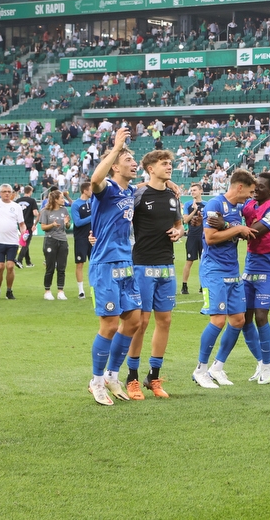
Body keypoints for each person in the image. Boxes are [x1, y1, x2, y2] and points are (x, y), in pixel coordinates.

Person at [86, 127, 141, 406]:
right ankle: (95, 381)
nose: (135, 164)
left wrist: (169, 185)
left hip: (125, 263)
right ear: (116, 165)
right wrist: (117, 147)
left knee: (133, 320)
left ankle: (111, 375)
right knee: (108, 324)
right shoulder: (105, 188)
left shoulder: (131, 190)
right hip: (105, 263)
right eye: (129, 160)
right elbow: (95, 179)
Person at [192, 170, 257, 388]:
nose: (249, 196)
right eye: (249, 191)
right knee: (218, 320)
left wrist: (235, 227)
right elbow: (210, 238)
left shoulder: (238, 208)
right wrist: (238, 228)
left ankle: (217, 367)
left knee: (238, 320)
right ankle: (200, 370)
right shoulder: (214, 205)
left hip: (232, 270)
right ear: (239, 187)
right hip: (214, 270)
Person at [126, 151, 183, 399]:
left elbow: (179, 223)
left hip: (166, 266)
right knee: (141, 322)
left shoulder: (173, 196)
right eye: (164, 164)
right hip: (141, 264)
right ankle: (131, 378)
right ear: (150, 168)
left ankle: (154, 376)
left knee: (165, 321)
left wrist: (179, 232)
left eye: (170, 163)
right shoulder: (138, 194)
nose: (169, 167)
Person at [240, 172, 270, 385]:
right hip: (250, 266)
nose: (255, 189)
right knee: (244, 319)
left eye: (260, 187)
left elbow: (254, 232)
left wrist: (224, 227)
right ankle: (260, 361)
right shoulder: (249, 205)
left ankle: (267, 365)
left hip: (268, 269)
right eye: (254, 185)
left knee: (261, 316)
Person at [0, 184, 26, 301]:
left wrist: (24, 233)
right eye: (4, 191)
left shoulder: (16, 207)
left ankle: (9, 290)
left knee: (10, 266)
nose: (6, 193)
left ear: (12, 193)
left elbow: (21, 224)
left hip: (12, 241)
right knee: (0, 266)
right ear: (0, 193)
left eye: (8, 191)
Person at [39, 189, 70, 300]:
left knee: (61, 267)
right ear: (56, 200)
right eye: (61, 198)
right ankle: (47, 291)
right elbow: (43, 227)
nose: (63, 200)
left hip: (62, 240)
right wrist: (52, 224)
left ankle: (60, 291)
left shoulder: (65, 210)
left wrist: (67, 223)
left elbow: (67, 227)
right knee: (50, 267)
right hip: (50, 240)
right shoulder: (45, 211)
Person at [180, 184, 205, 295]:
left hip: (204, 237)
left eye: (194, 190)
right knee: (189, 261)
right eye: (191, 190)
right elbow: (185, 220)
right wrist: (194, 211)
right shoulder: (188, 204)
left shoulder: (207, 204)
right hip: (192, 236)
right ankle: (184, 286)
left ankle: (203, 286)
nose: (192, 192)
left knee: (203, 262)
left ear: (200, 191)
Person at [70, 182, 93, 299]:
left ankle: (94, 289)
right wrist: (92, 216)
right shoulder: (76, 205)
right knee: (80, 263)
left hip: (93, 237)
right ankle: (81, 290)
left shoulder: (93, 202)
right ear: (85, 190)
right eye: (91, 189)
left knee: (94, 263)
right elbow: (77, 222)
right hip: (81, 238)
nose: (92, 192)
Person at [15, 186, 39, 269]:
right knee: (26, 243)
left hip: (20, 225)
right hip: (28, 225)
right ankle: (19, 260)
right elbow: (35, 212)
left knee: (25, 242)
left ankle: (28, 262)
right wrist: (40, 214)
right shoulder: (32, 201)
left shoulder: (17, 201)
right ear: (30, 191)